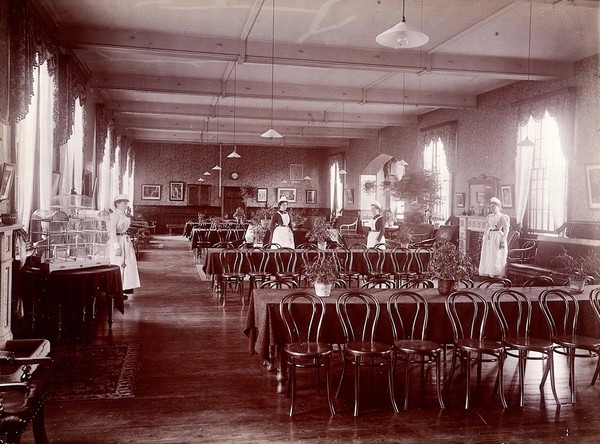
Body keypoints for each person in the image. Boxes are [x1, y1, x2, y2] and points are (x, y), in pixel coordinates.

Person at [108, 194, 141, 298]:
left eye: (126, 203)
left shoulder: (124, 215)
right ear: (117, 204)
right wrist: (116, 247)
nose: (126, 205)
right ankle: (115, 291)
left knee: (127, 265)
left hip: (125, 241)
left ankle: (122, 288)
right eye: (124, 203)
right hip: (117, 242)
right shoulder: (114, 215)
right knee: (118, 264)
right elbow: (111, 232)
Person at [479, 196, 510, 277]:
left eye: (494, 206)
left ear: (498, 207)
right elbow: (487, 228)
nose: (492, 208)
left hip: (498, 236)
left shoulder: (503, 216)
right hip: (490, 237)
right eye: (491, 207)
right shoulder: (489, 216)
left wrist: (503, 240)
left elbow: (506, 229)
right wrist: (484, 237)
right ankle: (489, 272)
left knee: (496, 255)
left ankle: (496, 273)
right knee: (489, 254)